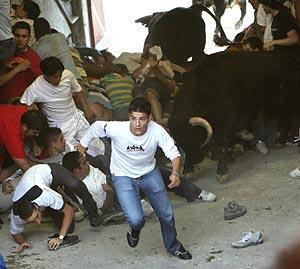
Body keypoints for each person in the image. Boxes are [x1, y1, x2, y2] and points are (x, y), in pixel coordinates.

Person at [76, 97, 192, 260]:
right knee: (137, 219)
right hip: (123, 176)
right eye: (133, 118)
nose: (137, 124)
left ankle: (173, 246)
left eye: (142, 119)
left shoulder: (157, 131)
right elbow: (95, 127)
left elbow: (174, 153)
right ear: (129, 116)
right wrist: (83, 144)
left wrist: (175, 172)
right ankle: (134, 231)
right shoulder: (117, 128)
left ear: (149, 118)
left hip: (150, 174)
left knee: (166, 214)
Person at [20, 57, 104, 157]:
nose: (59, 79)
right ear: (45, 76)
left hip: (76, 117)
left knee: (97, 148)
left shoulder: (68, 75)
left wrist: (87, 109)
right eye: (55, 77)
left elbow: (78, 90)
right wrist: (34, 141)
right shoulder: (36, 87)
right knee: (75, 155)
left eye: (60, 75)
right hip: (59, 128)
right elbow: (22, 105)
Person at [0, 105, 48, 187]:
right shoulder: (13, 136)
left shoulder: (26, 111)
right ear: (25, 126)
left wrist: (34, 143)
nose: (37, 135)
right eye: (35, 133)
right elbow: (25, 167)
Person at [0, 21, 42, 102]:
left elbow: (41, 85)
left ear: (29, 38)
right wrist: (18, 68)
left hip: (20, 104)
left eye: (24, 36)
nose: (20, 39)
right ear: (12, 36)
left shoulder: (34, 59)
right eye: (17, 35)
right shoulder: (5, 54)